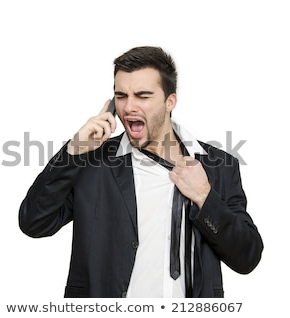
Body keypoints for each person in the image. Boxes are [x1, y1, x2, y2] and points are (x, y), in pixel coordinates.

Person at [19, 46, 263, 298]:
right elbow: (34, 223)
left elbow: (247, 258)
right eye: (121, 96)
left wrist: (204, 196)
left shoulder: (219, 166)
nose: (129, 107)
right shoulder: (91, 162)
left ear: (170, 101)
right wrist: (74, 151)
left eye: (143, 96)